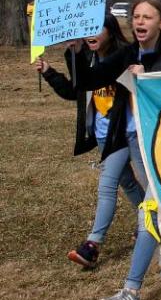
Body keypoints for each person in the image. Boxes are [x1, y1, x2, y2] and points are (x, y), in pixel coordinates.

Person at [70, 0, 161, 300]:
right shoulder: (125, 54)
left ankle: (131, 290)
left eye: (146, 16)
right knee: (155, 206)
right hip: (133, 137)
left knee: (149, 208)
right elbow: (87, 82)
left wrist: (146, 78)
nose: (139, 21)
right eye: (135, 16)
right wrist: (78, 50)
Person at [36, 14, 144, 268]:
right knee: (126, 182)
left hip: (131, 131)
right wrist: (50, 72)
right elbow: (75, 92)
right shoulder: (84, 57)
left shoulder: (124, 55)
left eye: (97, 29)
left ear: (111, 30)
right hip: (106, 135)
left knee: (140, 184)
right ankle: (149, 224)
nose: (90, 35)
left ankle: (93, 244)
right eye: (86, 30)